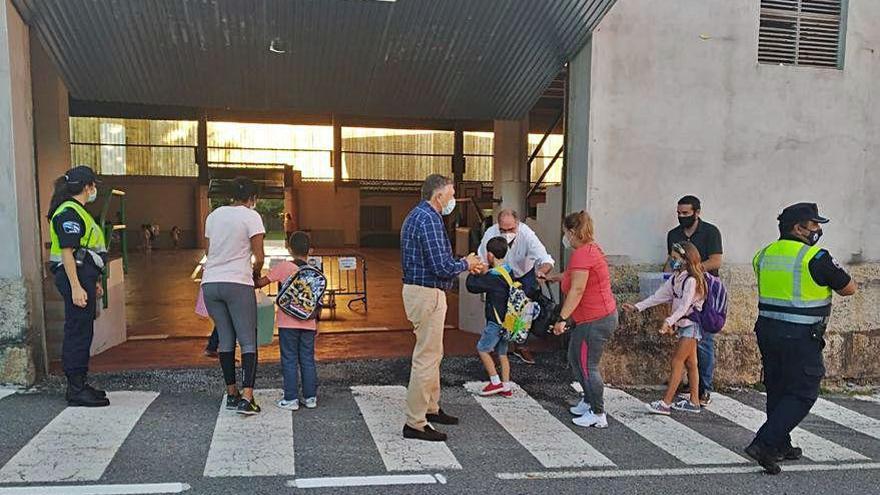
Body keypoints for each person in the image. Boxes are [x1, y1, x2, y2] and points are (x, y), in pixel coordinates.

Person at [744, 203, 856, 475]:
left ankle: (782, 443)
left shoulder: (764, 254)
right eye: (815, 225)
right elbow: (849, 288)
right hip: (800, 334)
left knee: (778, 386)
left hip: (768, 331)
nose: (818, 230)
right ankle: (765, 443)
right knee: (804, 391)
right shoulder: (815, 257)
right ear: (798, 228)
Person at [400, 174, 481, 442]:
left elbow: (438, 260)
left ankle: (431, 408)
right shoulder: (430, 219)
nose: (453, 198)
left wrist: (462, 263)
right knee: (426, 357)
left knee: (434, 354)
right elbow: (442, 266)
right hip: (427, 294)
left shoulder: (417, 215)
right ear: (438, 196)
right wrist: (467, 264)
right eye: (451, 193)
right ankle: (415, 422)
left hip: (422, 292)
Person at [201, 177, 266, 415]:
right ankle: (247, 397)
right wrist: (256, 275)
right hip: (237, 282)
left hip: (210, 284)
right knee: (248, 341)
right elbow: (259, 256)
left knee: (225, 340)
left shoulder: (214, 215)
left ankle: (231, 393)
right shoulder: (251, 216)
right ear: (252, 198)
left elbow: (208, 251)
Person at [47, 165, 110, 407]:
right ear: (87, 187)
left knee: (83, 330)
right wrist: (76, 286)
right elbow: (67, 253)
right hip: (73, 277)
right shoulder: (69, 212)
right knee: (77, 331)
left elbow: (85, 252)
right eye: (93, 185)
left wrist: (93, 282)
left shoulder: (77, 211)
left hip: (83, 277)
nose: (94, 190)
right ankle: (75, 388)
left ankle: (80, 383)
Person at [548, 211, 618, 429]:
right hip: (590, 318)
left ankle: (598, 412)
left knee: (588, 366)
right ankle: (588, 400)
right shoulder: (587, 250)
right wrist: (552, 277)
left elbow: (577, 290)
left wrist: (562, 318)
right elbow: (572, 277)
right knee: (575, 358)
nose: (564, 237)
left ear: (571, 232)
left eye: (565, 233)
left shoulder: (582, 254)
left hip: (595, 320)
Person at [624, 242, 707, 415]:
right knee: (691, 363)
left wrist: (669, 321)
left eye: (675, 258)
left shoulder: (691, 280)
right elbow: (658, 296)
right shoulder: (676, 278)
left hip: (691, 325)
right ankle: (694, 401)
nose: (672, 261)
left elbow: (684, 307)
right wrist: (637, 307)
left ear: (686, 259)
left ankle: (666, 403)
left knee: (677, 361)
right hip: (684, 325)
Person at [666, 195, 723, 406]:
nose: (681, 217)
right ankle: (691, 385)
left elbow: (716, 260)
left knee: (704, 340)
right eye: (679, 214)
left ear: (696, 212)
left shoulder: (710, 232)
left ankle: (704, 387)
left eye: (686, 214)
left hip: (705, 291)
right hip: (682, 289)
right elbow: (672, 261)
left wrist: (692, 270)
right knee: (687, 343)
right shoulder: (674, 234)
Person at [478, 209, 554, 365]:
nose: (507, 233)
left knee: (521, 313)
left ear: (517, 224)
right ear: (498, 226)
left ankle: (521, 344)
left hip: (522, 276)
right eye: (503, 230)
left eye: (511, 229)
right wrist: (487, 280)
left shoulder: (526, 234)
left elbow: (546, 259)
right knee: (495, 311)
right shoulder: (491, 232)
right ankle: (495, 348)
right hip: (499, 276)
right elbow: (483, 259)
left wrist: (541, 272)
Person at [255, 231, 320, 411]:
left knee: (289, 359)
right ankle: (310, 397)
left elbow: (260, 283)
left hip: (287, 323)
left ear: (289, 249)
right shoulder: (314, 271)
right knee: (307, 359)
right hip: (308, 323)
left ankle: (291, 398)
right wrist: (318, 323)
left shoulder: (284, 267)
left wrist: (254, 270)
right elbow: (316, 301)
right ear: (310, 251)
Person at [467, 237, 514, 398]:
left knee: (483, 349)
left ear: (490, 255)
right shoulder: (509, 272)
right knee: (503, 354)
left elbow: (471, 286)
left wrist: (473, 272)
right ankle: (506, 386)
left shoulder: (493, 277)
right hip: (508, 321)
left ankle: (495, 381)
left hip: (495, 321)